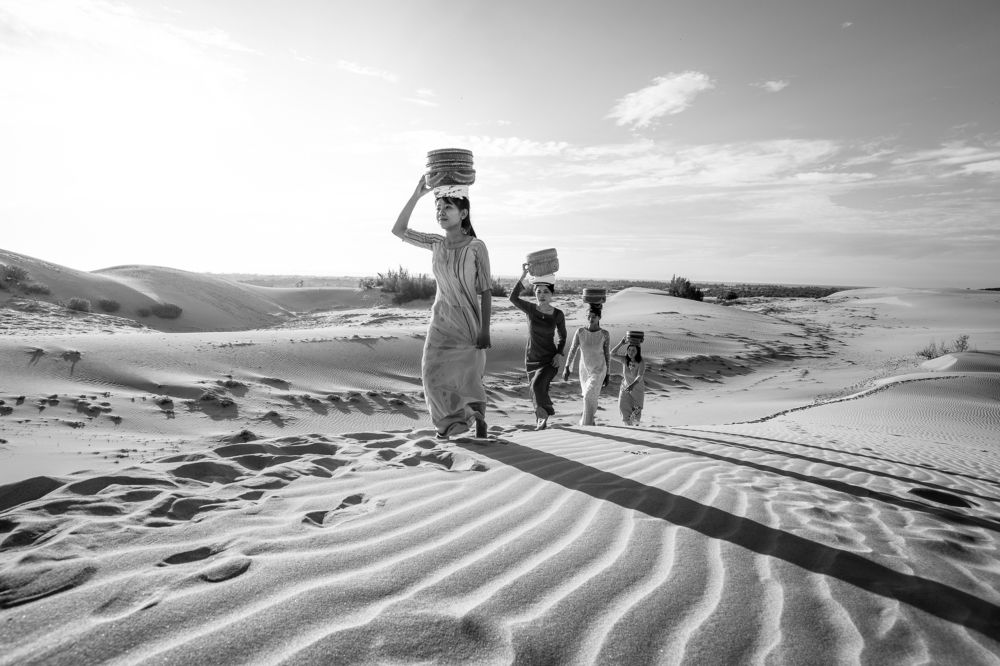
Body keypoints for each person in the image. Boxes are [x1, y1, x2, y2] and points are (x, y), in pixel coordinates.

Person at [392, 177, 492, 440]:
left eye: (448, 208)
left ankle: (470, 418)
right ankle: (456, 425)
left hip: (468, 322)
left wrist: (485, 331)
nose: (441, 213)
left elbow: (486, 291)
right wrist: (416, 196)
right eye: (438, 208)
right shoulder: (436, 243)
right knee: (431, 373)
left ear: (464, 213)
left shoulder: (476, 247)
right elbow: (398, 230)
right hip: (441, 321)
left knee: (465, 377)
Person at [510, 265, 567, 430]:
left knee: (537, 386)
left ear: (552, 294)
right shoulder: (530, 309)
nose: (541, 295)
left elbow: (563, 337)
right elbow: (513, 298)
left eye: (546, 291)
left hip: (549, 359)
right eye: (538, 291)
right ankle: (541, 419)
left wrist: (558, 354)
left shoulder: (558, 314)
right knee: (535, 389)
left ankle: (544, 415)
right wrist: (523, 275)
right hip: (532, 358)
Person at [562, 303, 610, 426]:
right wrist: (567, 367)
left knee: (588, 396)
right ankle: (591, 420)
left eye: (594, 316)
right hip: (585, 370)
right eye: (589, 316)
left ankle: (586, 425)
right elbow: (573, 349)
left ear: (599, 318)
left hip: (599, 369)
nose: (591, 318)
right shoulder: (580, 332)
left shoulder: (604, 334)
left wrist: (608, 373)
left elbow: (607, 354)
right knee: (589, 396)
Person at [611, 337, 645, 425]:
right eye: (629, 350)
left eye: (633, 350)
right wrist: (621, 343)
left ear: (638, 351)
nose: (630, 352)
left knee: (636, 411)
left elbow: (640, 376)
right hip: (625, 387)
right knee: (622, 406)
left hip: (637, 389)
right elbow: (612, 354)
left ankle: (635, 427)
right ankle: (628, 427)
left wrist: (632, 385)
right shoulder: (624, 360)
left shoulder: (641, 362)